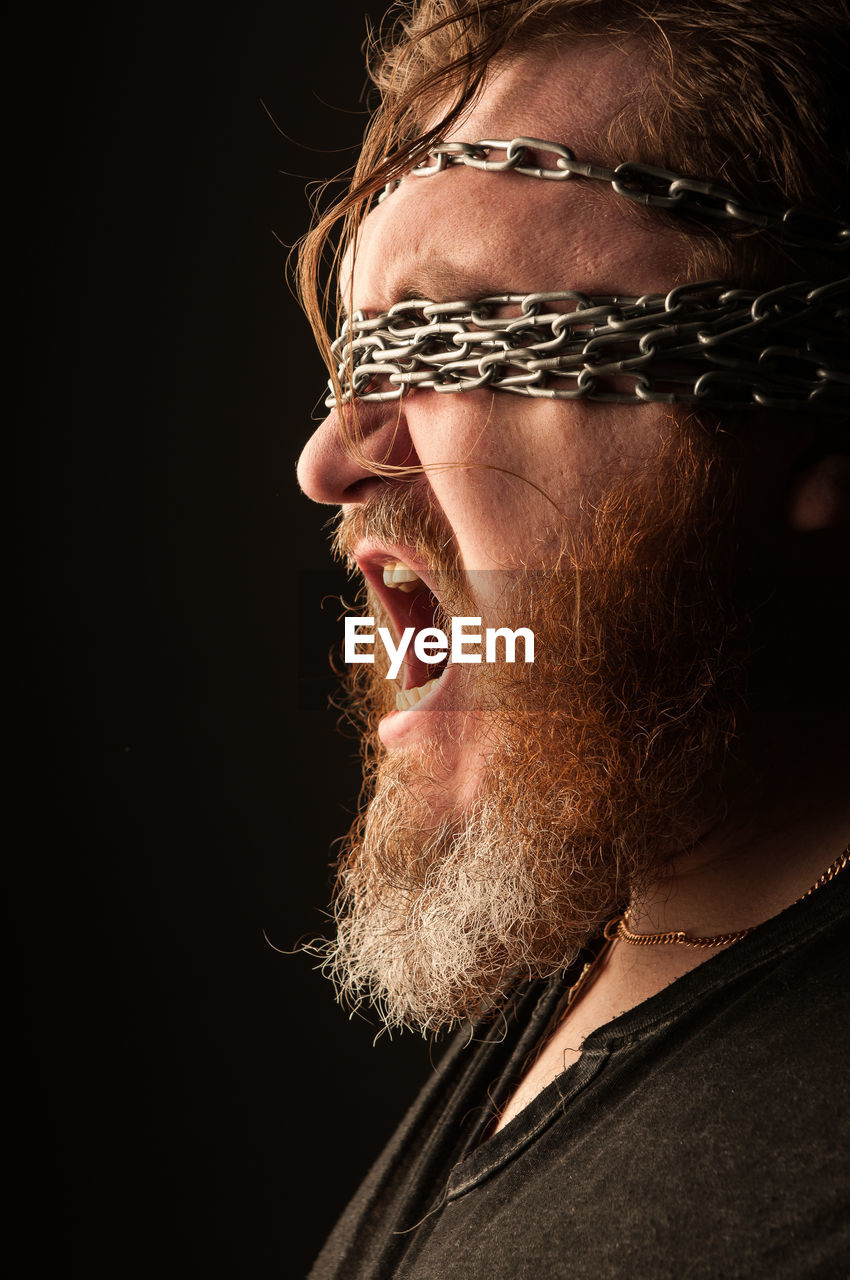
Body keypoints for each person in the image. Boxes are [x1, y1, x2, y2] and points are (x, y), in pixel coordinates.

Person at [295, 1, 850, 1274]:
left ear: (813, 424)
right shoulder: (614, 904)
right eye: (359, 356)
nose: (330, 460)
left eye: (461, 335)